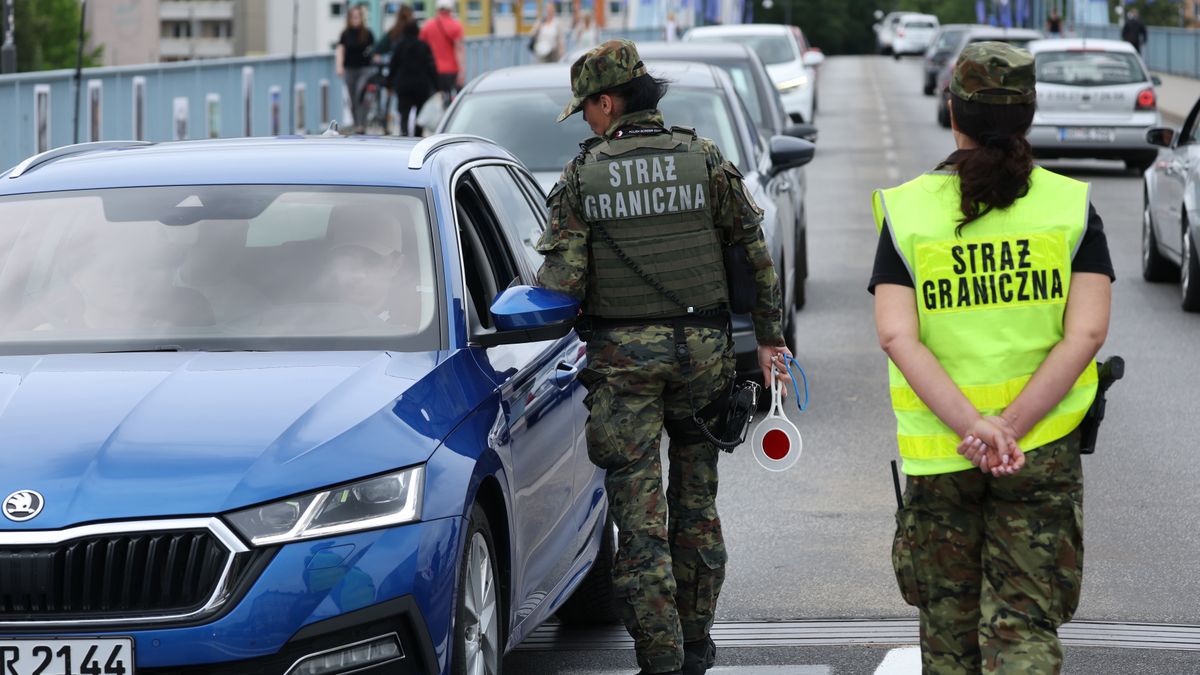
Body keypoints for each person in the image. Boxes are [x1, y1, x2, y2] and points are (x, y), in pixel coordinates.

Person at [535, 40, 791, 675]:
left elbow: (561, 287)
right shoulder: (703, 158)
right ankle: (698, 642)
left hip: (624, 366)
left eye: (586, 110)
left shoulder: (582, 176)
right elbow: (755, 254)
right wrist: (768, 340)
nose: (587, 122)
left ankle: (662, 659)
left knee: (639, 519)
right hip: (703, 357)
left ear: (606, 100)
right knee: (697, 506)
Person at [871, 43, 1114, 673]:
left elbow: (898, 337)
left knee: (949, 633)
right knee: (1024, 625)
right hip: (1040, 448)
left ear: (951, 108)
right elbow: (1085, 336)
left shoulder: (908, 212)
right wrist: (1012, 428)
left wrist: (973, 427)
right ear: (1029, 113)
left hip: (942, 453)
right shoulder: (1069, 207)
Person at [389, 12, 438, 136]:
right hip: (421, 86)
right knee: (420, 114)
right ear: (417, 31)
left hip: (403, 86)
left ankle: (404, 134)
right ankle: (417, 137)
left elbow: (393, 66)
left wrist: (389, 84)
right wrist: (437, 86)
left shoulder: (399, 46)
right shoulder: (424, 46)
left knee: (404, 113)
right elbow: (431, 68)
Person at [336, 5, 376, 134]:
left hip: (365, 69)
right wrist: (339, 66)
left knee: (361, 94)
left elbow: (375, 51)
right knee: (352, 98)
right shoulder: (345, 34)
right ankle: (356, 124)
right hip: (350, 69)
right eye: (353, 17)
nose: (356, 19)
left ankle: (362, 124)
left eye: (358, 16)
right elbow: (340, 50)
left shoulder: (368, 33)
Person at [420, 0, 466, 104]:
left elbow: (422, 47)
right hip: (451, 70)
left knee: (435, 99)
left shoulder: (427, 26)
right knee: (452, 100)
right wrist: (462, 72)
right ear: (451, 9)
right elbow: (459, 50)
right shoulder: (456, 26)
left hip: (432, 70)